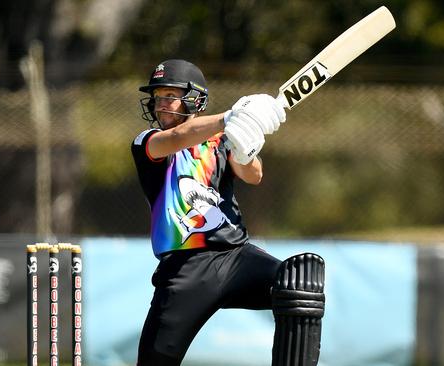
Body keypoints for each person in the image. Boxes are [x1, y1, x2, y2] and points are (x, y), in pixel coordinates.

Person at [131, 59, 325, 366]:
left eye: (170, 95)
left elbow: (254, 174)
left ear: (194, 99)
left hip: (236, 257)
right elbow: (180, 137)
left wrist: (244, 147)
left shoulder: (223, 140)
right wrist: (231, 116)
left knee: (298, 282)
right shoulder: (148, 142)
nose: (161, 104)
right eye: (158, 97)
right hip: (185, 269)